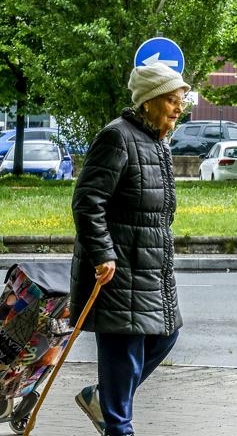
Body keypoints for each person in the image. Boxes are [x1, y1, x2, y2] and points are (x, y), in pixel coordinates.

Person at [70, 62, 189, 436]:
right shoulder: (117, 137)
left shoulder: (157, 142)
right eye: (171, 100)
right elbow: (88, 201)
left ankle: (103, 399)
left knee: (166, 335)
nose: (178, 107)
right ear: (148, 102)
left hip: (151, 268)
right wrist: (103, 253)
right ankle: (117, 423)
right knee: (124, 353)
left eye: (180, 100)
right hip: (120, 269)